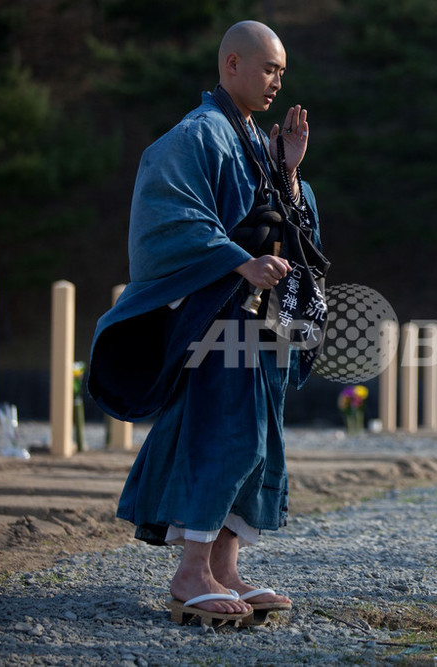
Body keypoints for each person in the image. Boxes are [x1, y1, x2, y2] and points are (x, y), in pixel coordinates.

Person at [87, 20, 321, 625]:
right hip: (218, 317)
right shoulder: (196, 136)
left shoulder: (253, 141)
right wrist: (239, 260)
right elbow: (173, 220)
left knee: (258, 439)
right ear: (232, 65)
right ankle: (191, 570)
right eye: (268, 68)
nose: (277, 81)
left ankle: (225, 567)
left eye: (282, 72)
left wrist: (290, 173)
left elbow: (285, 223)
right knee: (225, 432)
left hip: (260, 323)